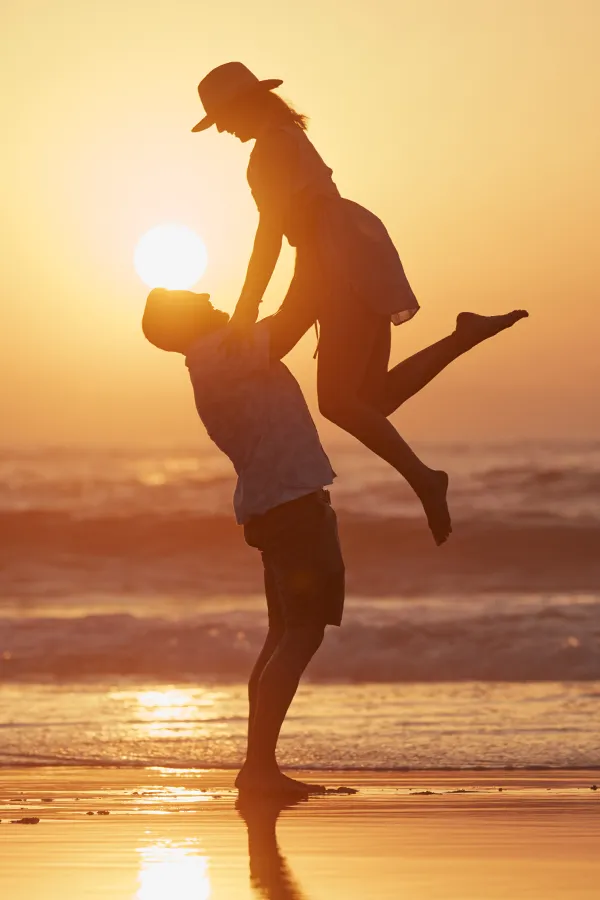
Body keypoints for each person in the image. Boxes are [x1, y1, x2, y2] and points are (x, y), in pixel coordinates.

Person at [190, 62, 528, 545]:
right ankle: (463, 336)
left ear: (244, 104)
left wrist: (245, 310)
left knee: (337, 400)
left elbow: (270, 235)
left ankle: (425, 479)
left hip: (334, 254)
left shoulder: (268, 151)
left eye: (222, 116)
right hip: (345, 244)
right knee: (369, 400)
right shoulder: (286, 136)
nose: (222, 127)